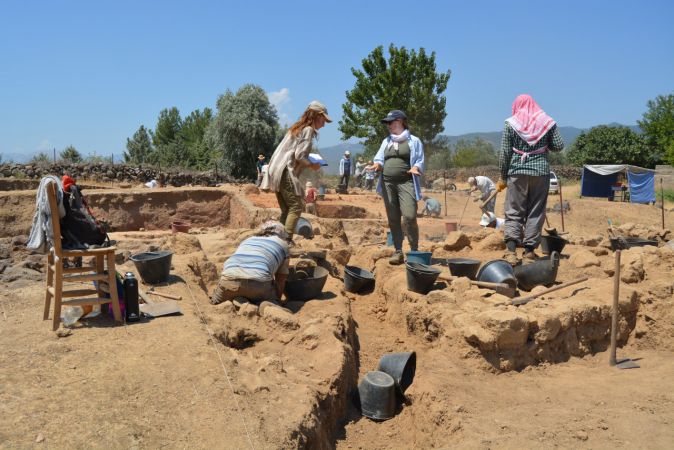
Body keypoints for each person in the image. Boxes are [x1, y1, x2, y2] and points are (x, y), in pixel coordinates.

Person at [497, 94, 564, 265]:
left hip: (517, 172)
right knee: (535, 212)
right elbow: (559, 145)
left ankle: (511, 252)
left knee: (513, 211)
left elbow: (505, 153)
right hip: (540, 172)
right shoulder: (547, 122)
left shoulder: (511, 123)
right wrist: (542, 145)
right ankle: (529, 253)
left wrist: (503, 176)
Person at [263, 100, 330, 243]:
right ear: (316, 116)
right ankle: (286, 240)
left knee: (287, 210)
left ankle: (277, 238)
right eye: (323, 119)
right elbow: (300, 156)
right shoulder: (308, 130)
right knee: (296, 207)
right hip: (284, 170)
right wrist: (313, 165)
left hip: (276, 170)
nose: (324, 124)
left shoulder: (297, 128)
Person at [371, 110, 425, 265]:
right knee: (393, 218)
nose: (388, 125)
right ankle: (398, 251)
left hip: (406, 182)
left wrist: (416, 167)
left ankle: (414, 250)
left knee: (409, 216)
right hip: (387, 184)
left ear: (401, 121)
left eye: (391, 122)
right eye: (387, 123)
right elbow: (379, 158)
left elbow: (420, 160)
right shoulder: (386, 141)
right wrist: (376, 165)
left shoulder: (414, 141)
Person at [210, 221, 290, 305]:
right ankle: (265, 304)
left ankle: (239, 300)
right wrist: (277, 300)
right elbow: (281, 279)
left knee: (215, 302)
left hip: (228, 282)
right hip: (257, 286)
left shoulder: (248, 239)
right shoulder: (283, 245)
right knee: (271, 302)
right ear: (281, 234)